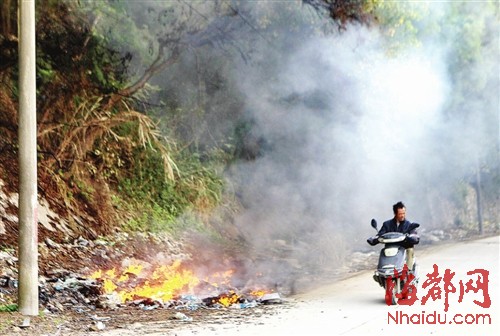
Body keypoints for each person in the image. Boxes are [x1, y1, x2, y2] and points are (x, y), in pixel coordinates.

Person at [367, 201, 419, 270]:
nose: (402, 215)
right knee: (383, 252)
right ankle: (382, 272)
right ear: (395, 213)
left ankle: (408, 272)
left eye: (404, 213)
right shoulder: (387, 224)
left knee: (410, 250)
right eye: (400, 214)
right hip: (390, 249)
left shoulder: (409, 224)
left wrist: (413, 237)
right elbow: (380, 235)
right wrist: (374, 239)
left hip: (404, 248)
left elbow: (414, 234)